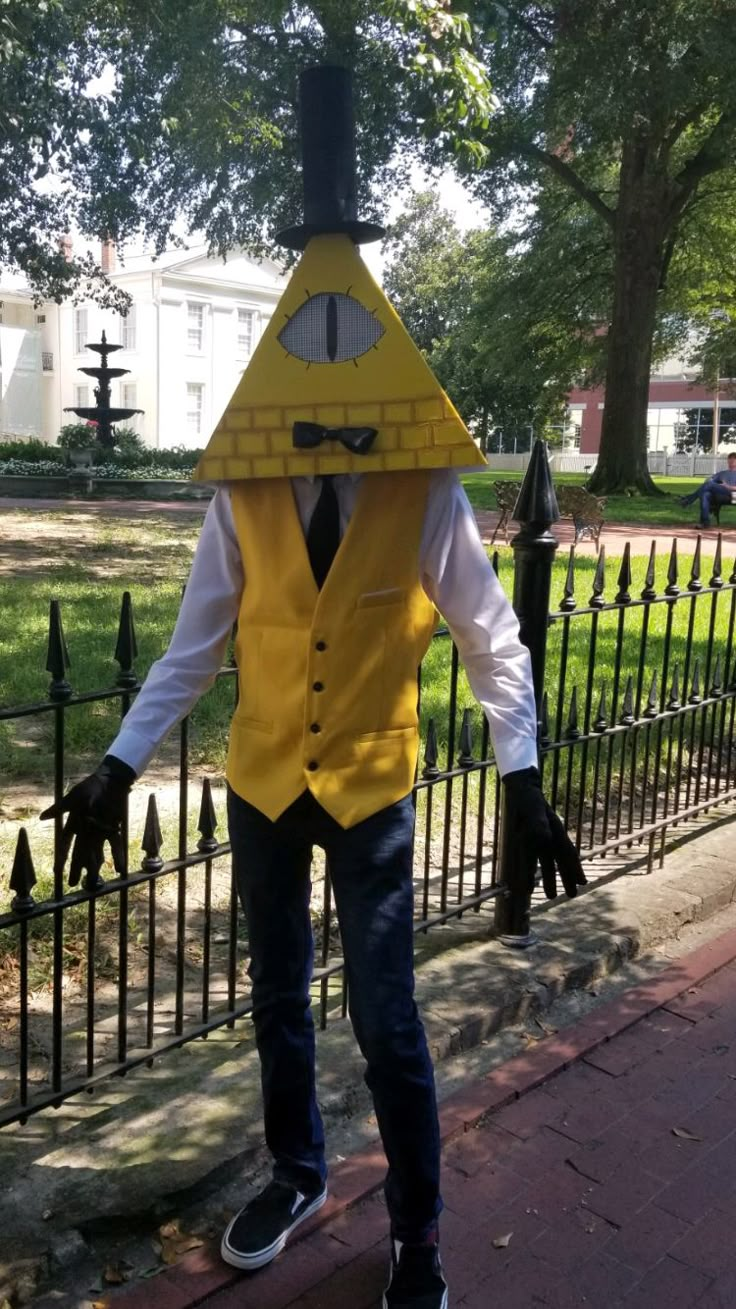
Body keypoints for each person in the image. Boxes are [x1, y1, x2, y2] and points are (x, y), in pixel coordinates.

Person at [41, 68, 586, 1309]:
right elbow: (195, 643)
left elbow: (494, 638)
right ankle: (295, 1171)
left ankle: (419, 1230)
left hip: (373, 786)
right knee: (278, 999)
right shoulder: (241, 490)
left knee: (389, 1023)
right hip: (264, 782)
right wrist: (120, 762)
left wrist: (524, 773)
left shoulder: (425, 487)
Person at [679, 451, 736, 526]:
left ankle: (688, 500)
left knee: (708, 485)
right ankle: (705, 522)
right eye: (729, 461)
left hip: (733, 496)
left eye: (732, 461)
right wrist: (710, 480)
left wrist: (727, 486)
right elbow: (709, 480)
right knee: (705, 494)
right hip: (720, 496)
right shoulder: (722, 473)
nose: (730, 463)